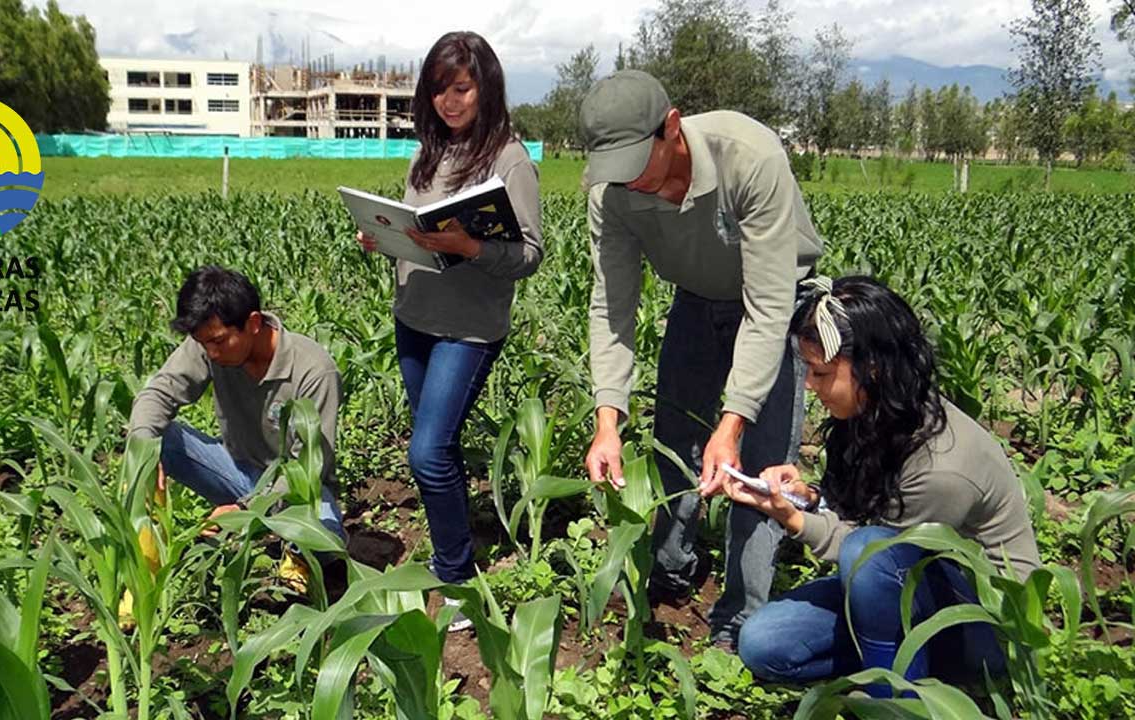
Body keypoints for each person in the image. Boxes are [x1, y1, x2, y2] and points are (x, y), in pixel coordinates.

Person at [578, 69, 824, 647]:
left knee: (758, 467)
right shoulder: (612, 193)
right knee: (676, 443)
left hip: (774, 300)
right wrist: (606, 421)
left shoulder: (748, 155)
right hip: (695, 299)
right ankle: (671, 569)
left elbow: (768, 305)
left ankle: (741, 616)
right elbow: (611, 304)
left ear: (672, 127)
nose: (629, 183)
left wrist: (733, 419)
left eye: (639, 162)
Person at [729, 276, 1041, 693]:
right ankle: (900, 657)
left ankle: (893, 698)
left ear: (871, 367)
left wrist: (795, 521)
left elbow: (876, 554)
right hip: (903, 585)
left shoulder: (942, 468)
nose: (809, 385)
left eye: (821, 372)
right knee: (765, 642)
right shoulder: (880, 412)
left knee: (867, 554)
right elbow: (870, 520)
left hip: (988, 621)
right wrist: (807, 498)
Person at [356, 31, 543, 630]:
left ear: (485, 87)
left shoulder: (509, 159)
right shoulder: (425, 156)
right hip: (414, 318)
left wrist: (474, 246)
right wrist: (382, 237)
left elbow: (530, 254)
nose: (449, 101)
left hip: (468, 329)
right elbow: (415, 235)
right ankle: (454, 542)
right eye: (439, 90)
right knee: (437, 447)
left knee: (427, 450)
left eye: (460, 88)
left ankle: (457, 577)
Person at [128, 266, 346, 592]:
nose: (211, 353)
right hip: (236, 470)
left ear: (253, 323)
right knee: (159, 440)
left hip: (300, 491)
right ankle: (145, 563)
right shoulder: (208, 344)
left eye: (218, 341)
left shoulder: (313, 371)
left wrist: (245, 509)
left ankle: (294, 551)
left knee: (326, 536)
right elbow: (158, 394)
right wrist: (142, 453)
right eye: (203, 344)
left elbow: (308, 467)